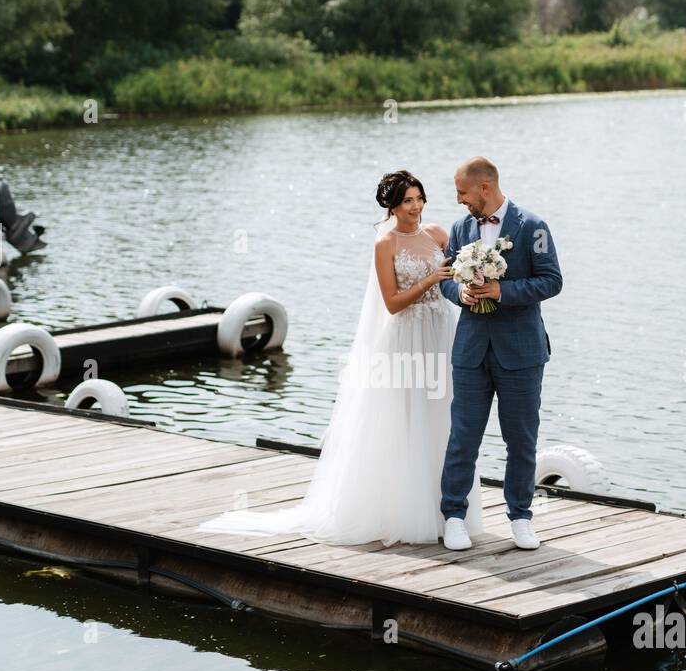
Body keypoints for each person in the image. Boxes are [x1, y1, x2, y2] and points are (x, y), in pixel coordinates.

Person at [198, 170, 483, 547]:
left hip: (440, 334)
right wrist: (430, 280)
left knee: (444, 417)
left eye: (419, 199)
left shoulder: (437, 234)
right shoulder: (386, 243)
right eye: (406, 202)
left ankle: (448, 513)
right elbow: (393, 304)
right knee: (407, 419)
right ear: (392, 205)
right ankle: (403, 512)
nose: (415, 208)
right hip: (407, 338)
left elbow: (455, 277)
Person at [438, 156, 562, 553]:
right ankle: (454, 516)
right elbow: (446, 278)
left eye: (462, 192)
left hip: (521, 354)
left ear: (484, 189)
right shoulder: (460, 228)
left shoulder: (533, 226)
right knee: (463, 437)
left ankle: (521, 517)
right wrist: (462, 292)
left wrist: (502, 293)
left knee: (521, 441)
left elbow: (551, 280)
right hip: (471, 352)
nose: (459, 200)